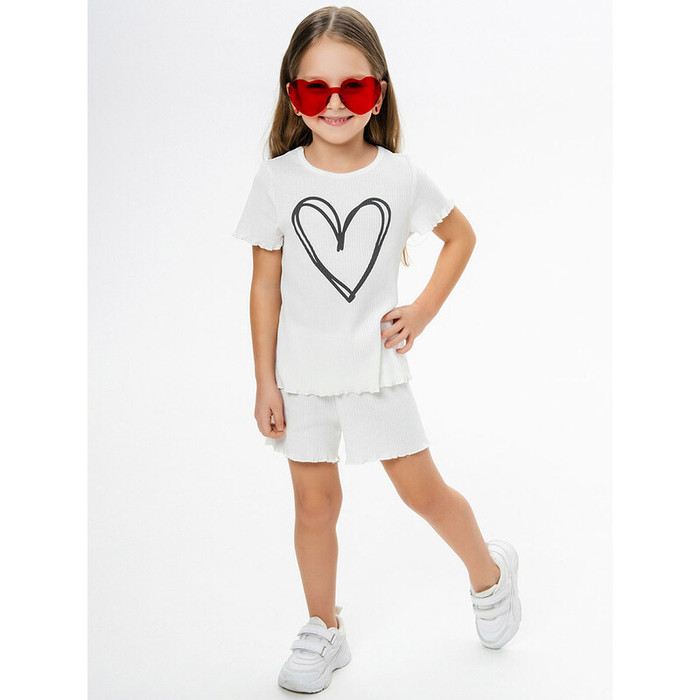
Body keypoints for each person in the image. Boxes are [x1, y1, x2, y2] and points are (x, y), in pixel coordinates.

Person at [232, 6, 522, 693]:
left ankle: (490, 574)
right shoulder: (276, 181)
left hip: (376, 375)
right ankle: (322, 626)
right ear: (292, 95)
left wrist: (422, 311)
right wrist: (264, 380)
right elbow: (264, 285)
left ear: (378, 93)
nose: (334, 104)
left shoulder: (399, 176)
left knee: (423, 494)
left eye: (353, 88)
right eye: (315, 89)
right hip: (302, 379)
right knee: (314, 507)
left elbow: (461, 237)